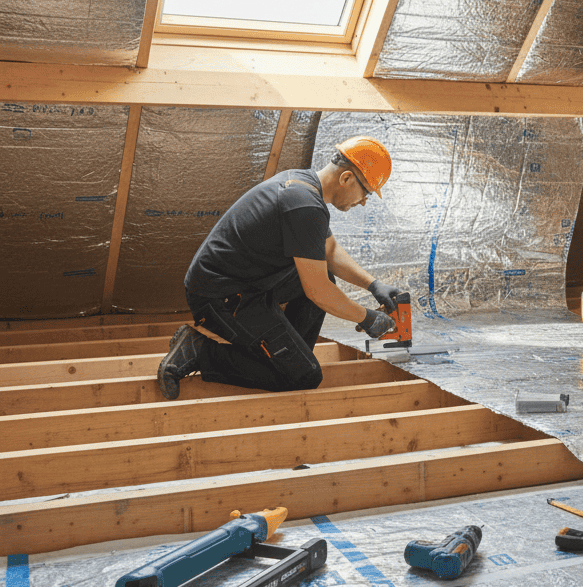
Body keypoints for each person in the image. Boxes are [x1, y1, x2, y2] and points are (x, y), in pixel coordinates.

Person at [157, 136, 402, 400]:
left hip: (243, 285)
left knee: (323, 276)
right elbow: (317, 291)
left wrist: (373, 285)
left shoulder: (303, 187)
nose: (364, 201)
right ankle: (197, 350)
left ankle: (289, 356)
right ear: (346, 179)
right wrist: (366, 318)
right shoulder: (305, 205)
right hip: (218, 297)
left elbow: (329, 251)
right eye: (366, 192)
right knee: (303, 377)